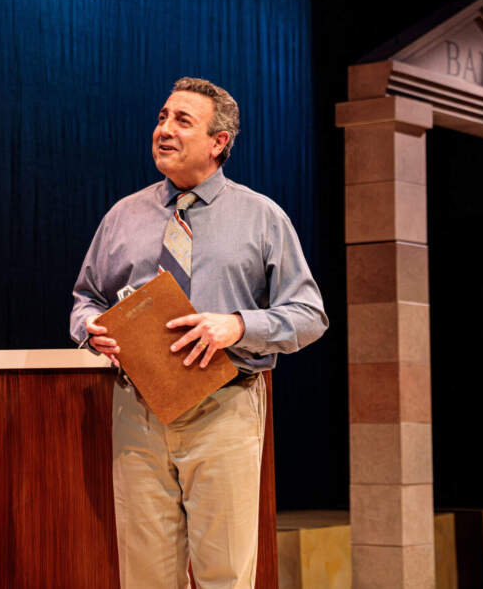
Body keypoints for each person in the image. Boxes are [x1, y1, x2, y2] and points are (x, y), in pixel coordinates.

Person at [70, 77, 327, 588]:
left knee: (224, 575)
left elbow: (309, 314)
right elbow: (86, 298)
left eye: (182, 121)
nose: (164, 129)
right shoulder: (123, 215)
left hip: (224, 408)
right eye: (162, 117)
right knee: (144, 577)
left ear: (218, 142)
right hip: (138, 411)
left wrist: (238, 325)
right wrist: (90, 329)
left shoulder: (261, 217)